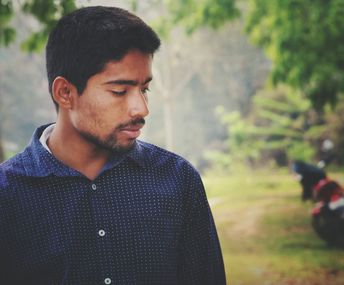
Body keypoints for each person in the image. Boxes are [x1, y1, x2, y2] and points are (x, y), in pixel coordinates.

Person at [0, 6, 225, 285]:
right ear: (65, 93)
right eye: (120, 91)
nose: (141, 109)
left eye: (144, 89)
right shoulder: (7, 195)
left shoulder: (177, 180)